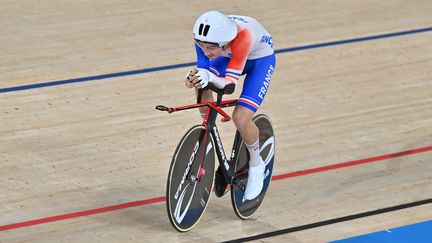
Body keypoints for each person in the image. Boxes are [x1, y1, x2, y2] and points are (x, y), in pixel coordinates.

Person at [185, 10, 275, 200]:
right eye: (201, 46)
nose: (205, 52)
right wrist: (195, 78)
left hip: (259, 61)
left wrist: (209, 75)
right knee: (202, 84)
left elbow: (229, 84)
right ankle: (208, 127)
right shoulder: (206, 40)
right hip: (229, 56)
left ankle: (257, 165)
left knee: (240, 118)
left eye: (210, 48)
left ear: (225, 42)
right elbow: (204, 69)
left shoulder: (243, 36)